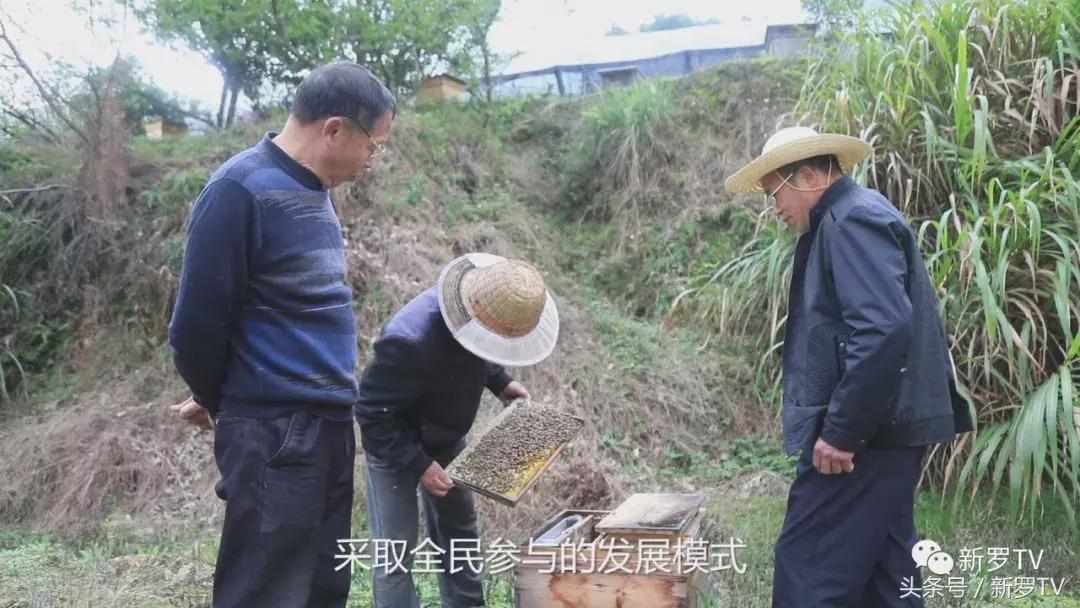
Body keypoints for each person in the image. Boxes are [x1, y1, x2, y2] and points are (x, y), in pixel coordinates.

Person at [167, 62, 395, 608]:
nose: (373, 159)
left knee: (322, 584)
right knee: (267, 589)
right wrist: (221, 399)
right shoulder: (238, 191)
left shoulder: (313, 191)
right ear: (334, 129)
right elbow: (196, 324)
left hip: (328, 425)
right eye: (374, 145)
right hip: (276, 431)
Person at [724, 127, 973, 607]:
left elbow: (883, 330)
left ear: (811, 174)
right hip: (885, 430)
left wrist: (841, 431)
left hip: (868, 436)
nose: (774, 207)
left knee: (808, 569)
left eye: (775, 191)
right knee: (885, 571)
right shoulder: (849, 216)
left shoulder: (850, 220)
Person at [355, 253, 559, 608]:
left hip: (446, 435)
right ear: (472, 312)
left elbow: (482, 349)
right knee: (395, 553)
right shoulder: (407, 341)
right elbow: (372, 415)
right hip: (395, 443)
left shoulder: (483, 317)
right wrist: (419, 464)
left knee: (459, 535)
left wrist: (500, 381)